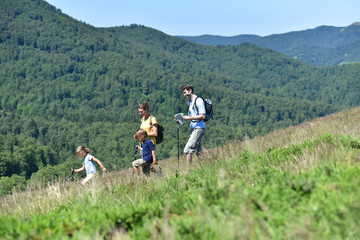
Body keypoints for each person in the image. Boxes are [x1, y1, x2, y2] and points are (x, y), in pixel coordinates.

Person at [177, 84, 206, 168]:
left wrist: (189, 118)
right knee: (198, 152)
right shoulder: (190, 102)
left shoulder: (199, 100)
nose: (184, 94)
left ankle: (188, 171)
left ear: (190, 90)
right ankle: (206, 167)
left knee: (187, 150)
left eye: (185, 92)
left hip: (198, 128)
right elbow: (191, 116)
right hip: (193, 128)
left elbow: (203, 116)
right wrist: (181, 118)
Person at [135, 102, 159, 174]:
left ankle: (158, 173)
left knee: (146, 163)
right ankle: (156, 175)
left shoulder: (152, 119)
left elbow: (155, 134)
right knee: (144, 164)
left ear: (146, 110)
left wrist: (143, 134)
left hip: (150, 143)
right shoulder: (142, 119)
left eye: (141, 112)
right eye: (139, 112)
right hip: (143, 143)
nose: (140, 113)